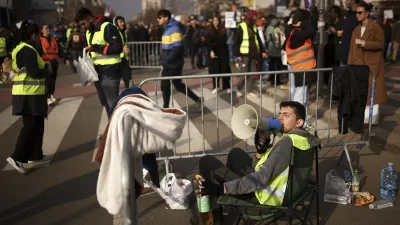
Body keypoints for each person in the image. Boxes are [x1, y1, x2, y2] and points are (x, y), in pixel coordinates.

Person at [199, 101, 319, 209]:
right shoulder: (304, 139)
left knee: (207, 161)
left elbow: (261, 178)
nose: (280, 118)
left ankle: (213, 212)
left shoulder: (287, 143)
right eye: (280, 114)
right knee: (236, 153)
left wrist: (221, 189)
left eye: (286, 115)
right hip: (286, 192)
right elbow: (264, 167)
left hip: (263, 197)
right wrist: (261, 152)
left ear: (299, 122)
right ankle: (225, 203)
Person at [6, 21, 51, 174]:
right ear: (33, 35)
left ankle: (35, 155)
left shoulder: (21, 48)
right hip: (29, 94)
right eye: (39, 35)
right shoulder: (28, 50)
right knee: (31, 126)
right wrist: (47, 69)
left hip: (28, 93)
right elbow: (34, 72)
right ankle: (17, 157)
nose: (40, 37)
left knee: (37, 124)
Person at [75, 7, 125, 117]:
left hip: (110, 71)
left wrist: (96, 48)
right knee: (106, 103)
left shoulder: (107, 27)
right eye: (80, 25)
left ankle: (115, 132)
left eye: (83, 24)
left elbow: (118, 48)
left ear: (89, 18)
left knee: (112, 104)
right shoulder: (89, 32)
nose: (82, 27)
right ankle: (111, 130)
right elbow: (91, 49)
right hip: (97, 72)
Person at [348, 1, 388, 125]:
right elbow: (352, 49)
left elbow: (381, 44)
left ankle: (373, 119)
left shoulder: (376, 28)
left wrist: (365, 44)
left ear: (367, 13)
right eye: (356, 13)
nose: (357, 15)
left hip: (372, 64)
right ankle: (365, 118)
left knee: (373, 92)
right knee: (362, 91)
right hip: (359, 65)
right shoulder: (356, 29)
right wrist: (350, 65)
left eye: (360, 12)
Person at [157, 9, 202, 110]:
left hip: (174, 63)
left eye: (159, 17)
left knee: (174, 85)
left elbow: (177, 48)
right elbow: (166, 47)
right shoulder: (166, 28)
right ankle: (166, 107)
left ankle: (197, 100)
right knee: (167, 85)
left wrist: (167, 59)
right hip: (169, 63)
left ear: (166, 18)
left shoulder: (174, 29)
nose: (157, 19)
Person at [283, 9, 317, 107]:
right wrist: (305, 23)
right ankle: (298, 119)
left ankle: (298, 118)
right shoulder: (297, 32)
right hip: (301, 67)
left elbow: (284, 46)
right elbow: (312, 31)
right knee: (300, 96)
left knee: (296, 92)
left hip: (294, 65)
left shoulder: (291, 31)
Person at [234, 9, 267, 98]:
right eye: (255, 17)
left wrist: (263, 51)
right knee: (244, 74)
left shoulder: (254, 27)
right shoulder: (241, 26)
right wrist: (238, 55)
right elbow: (236, 42)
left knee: (252, 74)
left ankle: (249, 90)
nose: (256, 19)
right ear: (250, 17)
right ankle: (239, 89)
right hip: (244, 55)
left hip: (253, 54)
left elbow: (258, 40)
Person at [39, 24, 69, 105]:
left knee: (53, 80)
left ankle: (51, 94)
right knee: (48, 80)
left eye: (48, 28)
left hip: (54, 63)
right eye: (46, 28)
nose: (48, 30)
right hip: (45, 63)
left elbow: (60, 51)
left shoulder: (54, 39)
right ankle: (48, 97)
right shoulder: (40, 40)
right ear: (42, 31)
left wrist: (66, 58)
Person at [206, 16, 231, 94]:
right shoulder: (210, 31)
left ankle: (226, 86)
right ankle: (216, 86)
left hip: (223, 51)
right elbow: (209, 43)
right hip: (214, 51)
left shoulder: (223, 30)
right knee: (215, 70)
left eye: (217, 20)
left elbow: (226, 40)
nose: (215, 22)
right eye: (214, 20)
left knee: (225, 69)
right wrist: (211, 51)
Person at [113, 15, 131, 88]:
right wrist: (122, 49)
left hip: (124, 60)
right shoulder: (114, 33)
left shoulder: (124, 33)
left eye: (123, 21)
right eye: (120, 22)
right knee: (115, 85)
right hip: (116, 61)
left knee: (129, 82)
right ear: (116, 23)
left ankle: (130, 96)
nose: (123, 23)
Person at [340, 0, 360, 65]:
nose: (345, 2)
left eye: (347, 0)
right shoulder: (349, 14)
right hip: (345, 54)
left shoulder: (359, 15)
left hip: (354, 56)